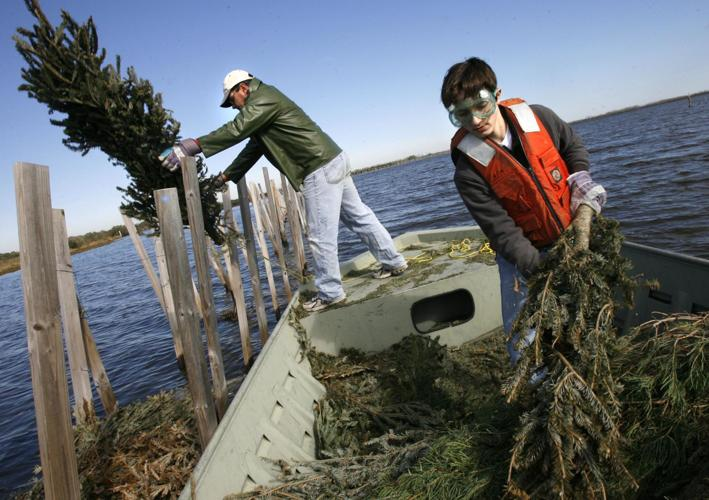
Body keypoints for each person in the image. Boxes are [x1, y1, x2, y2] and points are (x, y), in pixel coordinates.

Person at [160, 69, 407, 312]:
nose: (233, 108)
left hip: (317, 167)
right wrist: (227, 176)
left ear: (243, 88)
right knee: (359, 217)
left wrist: (193, 145)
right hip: (332, 159)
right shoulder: (262, 107)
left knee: (320, 236)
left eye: (231, 101)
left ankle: (331, 293)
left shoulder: (264, 97)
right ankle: (393, 262)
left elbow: (236, 129)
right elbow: (253, 148)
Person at [440, 57, 607, 366]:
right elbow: (501, 230)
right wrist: (540, 268)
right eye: (462, 114)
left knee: (586, 310)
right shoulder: (468, 171)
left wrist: (581, 179)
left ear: (497, 95)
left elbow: (574, 148)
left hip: (570, 233)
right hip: (521, 254)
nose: (476, 120)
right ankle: (530, 385)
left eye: (481, 105)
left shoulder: (539, 117)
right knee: (523, 332)